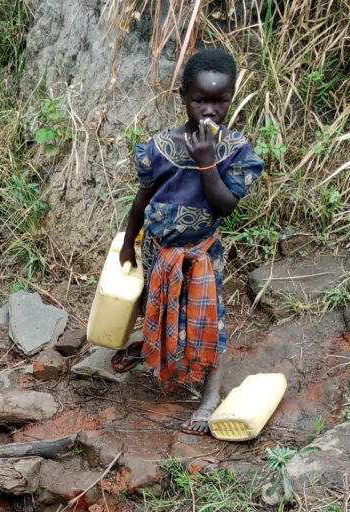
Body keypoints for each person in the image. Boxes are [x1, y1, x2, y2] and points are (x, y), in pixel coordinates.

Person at [113, 47, 264, 433]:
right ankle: (152, 349)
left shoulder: (236, 152)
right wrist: (129, 242)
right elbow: (142, 200)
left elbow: (225, 205)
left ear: (231, 98)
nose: (209, 111)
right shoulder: (157, 149)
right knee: (156, 304)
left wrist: (207, 162)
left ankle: (210, 395)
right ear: (183, 97)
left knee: (209, 320)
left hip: (202, 254)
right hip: (157, 251)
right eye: (200, 100)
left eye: (220, 101)